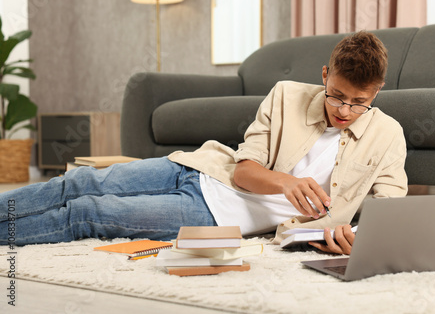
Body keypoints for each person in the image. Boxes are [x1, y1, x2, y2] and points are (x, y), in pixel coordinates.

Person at [0, 31, 407, 254]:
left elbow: (389, 215)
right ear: (324, 74)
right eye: (337, 95)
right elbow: (245, 171)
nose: (345, 110)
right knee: (80, 181)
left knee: (87, 212)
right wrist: (285, 183)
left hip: (210, 211)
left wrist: (352, 240)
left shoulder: (388, 135)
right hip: (198, 169)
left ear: (377, 92)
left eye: (360, 102)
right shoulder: (286, 94)